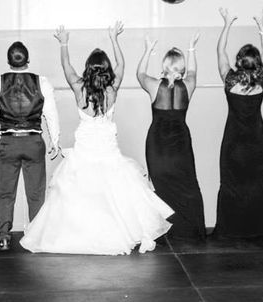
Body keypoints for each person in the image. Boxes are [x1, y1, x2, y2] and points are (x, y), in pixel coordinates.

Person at [19, 22, 173, 255]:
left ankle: (82, 237)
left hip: (84, 155)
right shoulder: (112, 89)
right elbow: (122, 65)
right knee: (114, 196)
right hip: (108, 154)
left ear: (89, 69)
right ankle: (116, 234)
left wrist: (63, 43)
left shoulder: (79, 88)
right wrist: (114, 39)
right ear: (106, 69)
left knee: (81, 197)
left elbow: (66, 66)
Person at [213, 8, 263, 239]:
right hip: (257, 139)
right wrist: (262, 26)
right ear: (256, 63)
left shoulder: (229, 80)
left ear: (239, 62)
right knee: (262, 183)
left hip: (234, 141)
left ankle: (232, 230)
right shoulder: (262, 79)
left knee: (232, 183)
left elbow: (219, 51)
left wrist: (227, 24)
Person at [0, 41, 61, 251]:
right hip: (33, 141)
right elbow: (51, 114)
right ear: (28, 60)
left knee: (6, 193)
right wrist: (55, 139)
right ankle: (37, 236)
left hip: (8, 141)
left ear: (9, 61)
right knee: (36, 193)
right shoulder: (41, 82)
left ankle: (4, 237)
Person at [137, 34, 206, 240]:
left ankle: (168, 234)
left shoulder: (153, 86)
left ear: (165, 65)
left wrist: (148, 49)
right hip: (181, 143)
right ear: (181, 68)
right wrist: (192, 49)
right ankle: (192, 231)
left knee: (162, 188)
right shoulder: (189, 85)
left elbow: (140, 73)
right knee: (188, 185)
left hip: (157, 144)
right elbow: (193, 71)